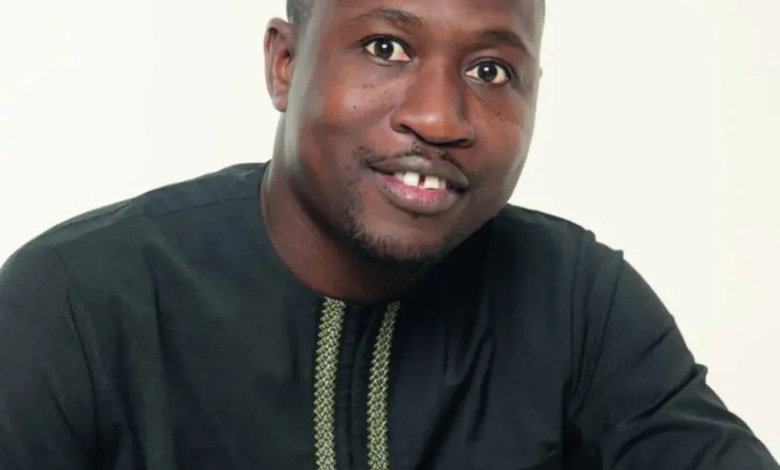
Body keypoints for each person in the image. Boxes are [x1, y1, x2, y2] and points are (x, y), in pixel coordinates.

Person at [0, 0, 776, 468]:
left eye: (491, 70)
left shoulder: (577, 301)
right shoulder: (73, 305)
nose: (438, 118)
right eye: (386, 48)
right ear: (284, 63)